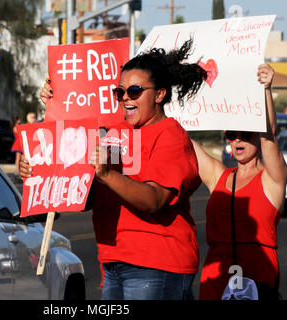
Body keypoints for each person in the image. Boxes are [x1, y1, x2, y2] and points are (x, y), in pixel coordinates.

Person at [21, 39, 208, 300]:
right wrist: (42, 170)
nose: (125, 99)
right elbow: (88, 196)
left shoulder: (171, 135)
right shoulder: (112, 133)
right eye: (119, 92)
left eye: (134, 91)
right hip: (113, 261)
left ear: (160, 94)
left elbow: (154, 199)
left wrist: (108, 174)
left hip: (157, 263)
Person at [191, 64, 287, 300]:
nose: (237, 140)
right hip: (217, 273)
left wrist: (266, 89)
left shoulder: (272, 179)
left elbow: (269, 136)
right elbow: (184, 142)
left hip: (258, 275)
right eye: (231, 135)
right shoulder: (220, 176)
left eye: (245, 134)